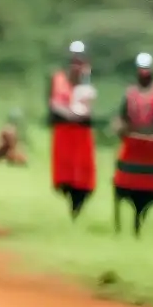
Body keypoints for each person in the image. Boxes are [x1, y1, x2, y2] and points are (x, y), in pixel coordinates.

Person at [114, 51, 153, 237]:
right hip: (132, 147)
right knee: (124, 184)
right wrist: (121, 129)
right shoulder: (130, 94)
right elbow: (123, 117)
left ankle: (140, 217)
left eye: (146, 70)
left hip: (150, 148)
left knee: (150, 188)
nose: (144, 73)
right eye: (141, 70)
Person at [48, 43, 98, 219]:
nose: (77, 65)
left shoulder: (87, 83)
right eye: (74, 61)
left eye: (80, 61)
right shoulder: (59, 79)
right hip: (64, 132)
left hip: (81, 134)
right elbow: (54, 104)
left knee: (83, 173)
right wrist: (71, 114)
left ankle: (77, 206)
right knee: (65, 172)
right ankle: (70, 203)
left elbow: (89, 108)